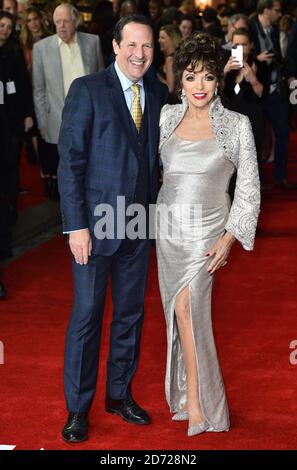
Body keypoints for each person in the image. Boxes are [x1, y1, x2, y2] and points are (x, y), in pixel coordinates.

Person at [58, 14, 167, 443]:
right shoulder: (88, 91)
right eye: (133, 45)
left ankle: (119, 394)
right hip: (95, 225)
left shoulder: (157, 92)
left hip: (139, 223)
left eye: (148, 46)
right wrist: (76, 226)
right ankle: (78, 407)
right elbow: (71, 165)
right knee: (86, 317)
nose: (140, 54)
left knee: (130, 315)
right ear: (116, 46)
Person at [156, 32, 260, 437]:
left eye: (207, 78)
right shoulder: (166, 118)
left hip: (207, 233)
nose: (199, 87)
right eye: (190, 77)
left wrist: (229, 238)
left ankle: (200, 403)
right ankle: (189, 398)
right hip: (167, 230)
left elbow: (249, 187)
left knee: (189, 309)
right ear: (179, 80)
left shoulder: (237, 125)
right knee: (179, 311)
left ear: (219, 80)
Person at [33, 3, 104, 199]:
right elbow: (38, 90)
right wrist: (42, 122)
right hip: (58, 116)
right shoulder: (41, 48)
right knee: (65, 166)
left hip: (91, 116)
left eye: (65, 21)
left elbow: (102, 82)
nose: (61, 26)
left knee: (91, 160)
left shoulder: (92, 42)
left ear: (76, 22)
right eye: (57, 22)